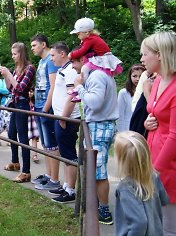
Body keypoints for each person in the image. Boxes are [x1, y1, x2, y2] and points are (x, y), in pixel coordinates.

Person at [71, 46, 119, 225]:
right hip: (99, 125)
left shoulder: (97, 76)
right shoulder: (101, 74)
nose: (73, 67)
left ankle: (104, 211)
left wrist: (80, 87)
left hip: (100, 126)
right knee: (95, 169)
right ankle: (97, 204)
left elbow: (95, 102)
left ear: (84, 60)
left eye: (75, 61)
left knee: (99, 172)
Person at [141, 31, 176, 235]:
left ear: (160, 54)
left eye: (145, 54)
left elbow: (174, 135)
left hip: (168, 166)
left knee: (168, 226)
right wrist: (148, 122)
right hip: (153, 158)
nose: (142, 59)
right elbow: (155, 113)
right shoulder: (157, 81)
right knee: (155, 222)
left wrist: (155, 171)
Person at [113, 131, 169, 236]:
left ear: (122, 161)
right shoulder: (153, 176)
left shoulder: (126, 188)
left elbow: (139, 223)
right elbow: (165, 199)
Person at [47, 42, 81, 203]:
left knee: (69, 154)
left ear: (62, 54)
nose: (51, 58)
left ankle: (71, 190)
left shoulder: (70, 71)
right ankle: (67, 185)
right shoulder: (64, 70)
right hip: (61, 117)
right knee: (65, 152)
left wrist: (64, 117)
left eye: (53, 55)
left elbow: (72, 96)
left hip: (67, 119)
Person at [0, 42, 36, 183]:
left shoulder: (29, 68)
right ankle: (15, 162)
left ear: (21, 53)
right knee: (11, 133)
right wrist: (6, 76)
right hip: (15, 104)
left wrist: (9, 74)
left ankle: (26, 171)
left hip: (23, 104)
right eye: (12, 54)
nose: (13, 56)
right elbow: (10, 88)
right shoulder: (16, 69)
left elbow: (20, 89)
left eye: (15, 54)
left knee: (23, 138)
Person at [30, 34, 61, 191]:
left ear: (43, 44)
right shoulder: (42, 61)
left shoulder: (51, 60)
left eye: (34, 45)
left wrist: (46, 109)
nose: (32, 48)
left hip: (46, 108)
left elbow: (53, 86)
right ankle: (49, 176)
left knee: (52, 145)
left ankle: (55, 179)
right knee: (46, 144)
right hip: (39, 106)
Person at [67, 17, 123, 102]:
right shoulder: (91, 38)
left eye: (78, 34)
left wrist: (71, 55)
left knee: (85, 69)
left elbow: (82, 50)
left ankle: (81, 89)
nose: (78, 36)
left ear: (86, 32)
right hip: (98, 57)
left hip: (101, 58)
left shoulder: (90, 39)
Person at [116, 64, 145, 132]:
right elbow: (120, 115)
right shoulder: (123, 93)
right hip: (128, 129)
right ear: (130, 77)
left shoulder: (147, 92)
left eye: (140, 76)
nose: (138, 79)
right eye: (135, 76)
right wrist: (122, 133)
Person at [0, 78, 12, 146]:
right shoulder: (1, 81)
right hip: (3, 104)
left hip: (10, 105)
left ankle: (9, 139)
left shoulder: (13, 80)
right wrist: (9, 92)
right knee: (2, 123)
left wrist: (8, 92)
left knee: (9, 122)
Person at [28, 89, 40, 163]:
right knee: (25, 138)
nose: (30, 93)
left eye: (31, 91)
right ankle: (25, 151)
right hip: (27, 122)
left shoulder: (35, 102)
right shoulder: (24, 102)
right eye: (29, 91)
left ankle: (34, 155)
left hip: (34, 122)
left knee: (34, 138)